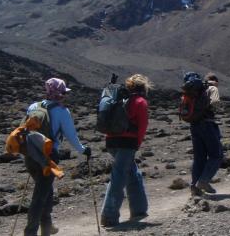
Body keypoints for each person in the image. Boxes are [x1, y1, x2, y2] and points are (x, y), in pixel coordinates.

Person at [24, 78, 91, 236]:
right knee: (40, 196)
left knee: (45, 190)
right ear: (60, 94)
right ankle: (31, 232)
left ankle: (47, 227)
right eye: (63, 93)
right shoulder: (62, 111)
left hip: (30, 154)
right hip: (49, 156)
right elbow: (71, 136)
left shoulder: (33, 106)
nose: (64, 96)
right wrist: (83, 150)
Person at [100, 74, 151, 227]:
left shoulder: (118, 99)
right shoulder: (140, 102)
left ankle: (139, 209)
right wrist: (137, 144)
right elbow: (142, 126)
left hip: (111, 140)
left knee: (132, 173)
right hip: (127, 143)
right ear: (143, 87)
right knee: (119, 176)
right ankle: (109, 216)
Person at [189, 73, 224, 196]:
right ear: (215, 81)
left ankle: (194, 186)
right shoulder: (213, 88)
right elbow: (215, 102)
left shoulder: (194, 90)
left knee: (199, 158)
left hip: (194, 125)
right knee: (217, 155)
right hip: (207, 125)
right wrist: (217, 108)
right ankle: (203, 181)